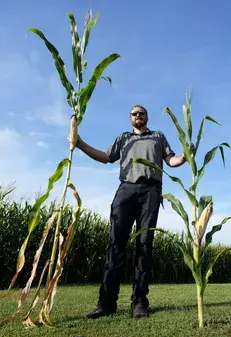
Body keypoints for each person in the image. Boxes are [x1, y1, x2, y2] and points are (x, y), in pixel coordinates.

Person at [68, 104, 186, 319]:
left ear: (147, 117)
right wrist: (80, 143)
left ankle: (139, 304)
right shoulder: (123, 138)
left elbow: (171, 160)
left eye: (141, 113)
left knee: (144, 245)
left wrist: (186, 156)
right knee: (115, 244)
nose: (138, 115)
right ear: (130, 118)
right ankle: (106, 304)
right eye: (134, 113)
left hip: (151, 191)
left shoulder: (158, 136)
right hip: (126, 190)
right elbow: (105, 157)